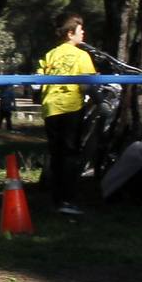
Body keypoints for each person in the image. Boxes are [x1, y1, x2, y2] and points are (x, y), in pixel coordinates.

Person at [38, 13, 97, 215]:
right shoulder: (82, 56)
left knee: (56, 155)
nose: (84, 33)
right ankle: (68, 200)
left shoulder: (51, 54)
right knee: (71, 155)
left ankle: (56, 198)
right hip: (71, 108)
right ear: (71, 33)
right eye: (81, 30)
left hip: (50, 109)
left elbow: (38, 79)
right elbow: (86, 84)